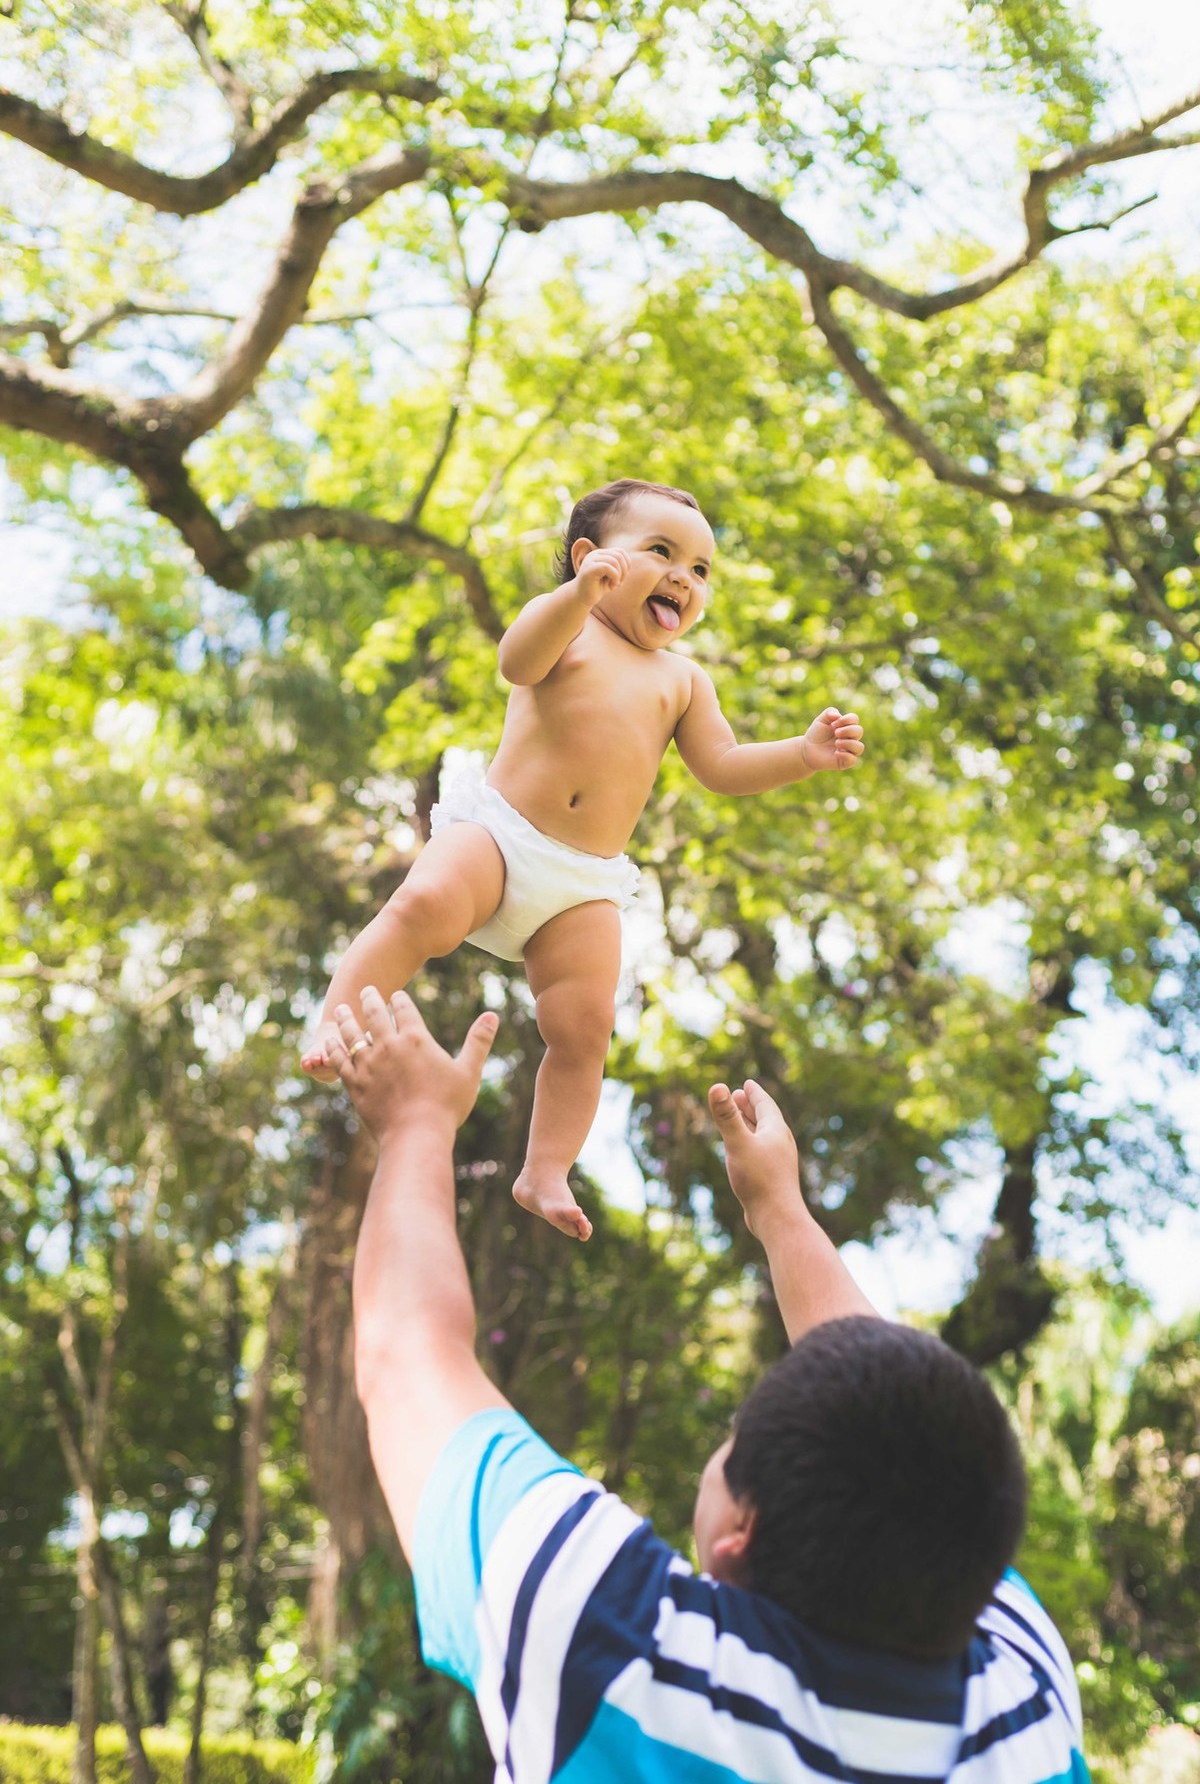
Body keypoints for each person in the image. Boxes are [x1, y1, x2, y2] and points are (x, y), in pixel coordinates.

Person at [332, 985, 1091, 1784]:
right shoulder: (1026, 1709)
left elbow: (410, 1358)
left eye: (735, 1437)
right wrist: (780, 1211)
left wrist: (415, 1123)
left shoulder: (612, 1650)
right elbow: (903, 1439)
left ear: (740, 1531)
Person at [302, 478, 865, 1241]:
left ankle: (545, 1169)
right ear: (589, 557)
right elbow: (516, 660)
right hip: (499, 837)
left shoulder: (683, 680)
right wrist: (576, 597)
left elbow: (723, 765)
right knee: (421, 907)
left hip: (581, 884)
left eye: (701, 570)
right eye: (661, 552)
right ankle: (334, 1026)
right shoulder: (567, 626)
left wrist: (802, 754)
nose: (683, 578)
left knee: (586, 1025)